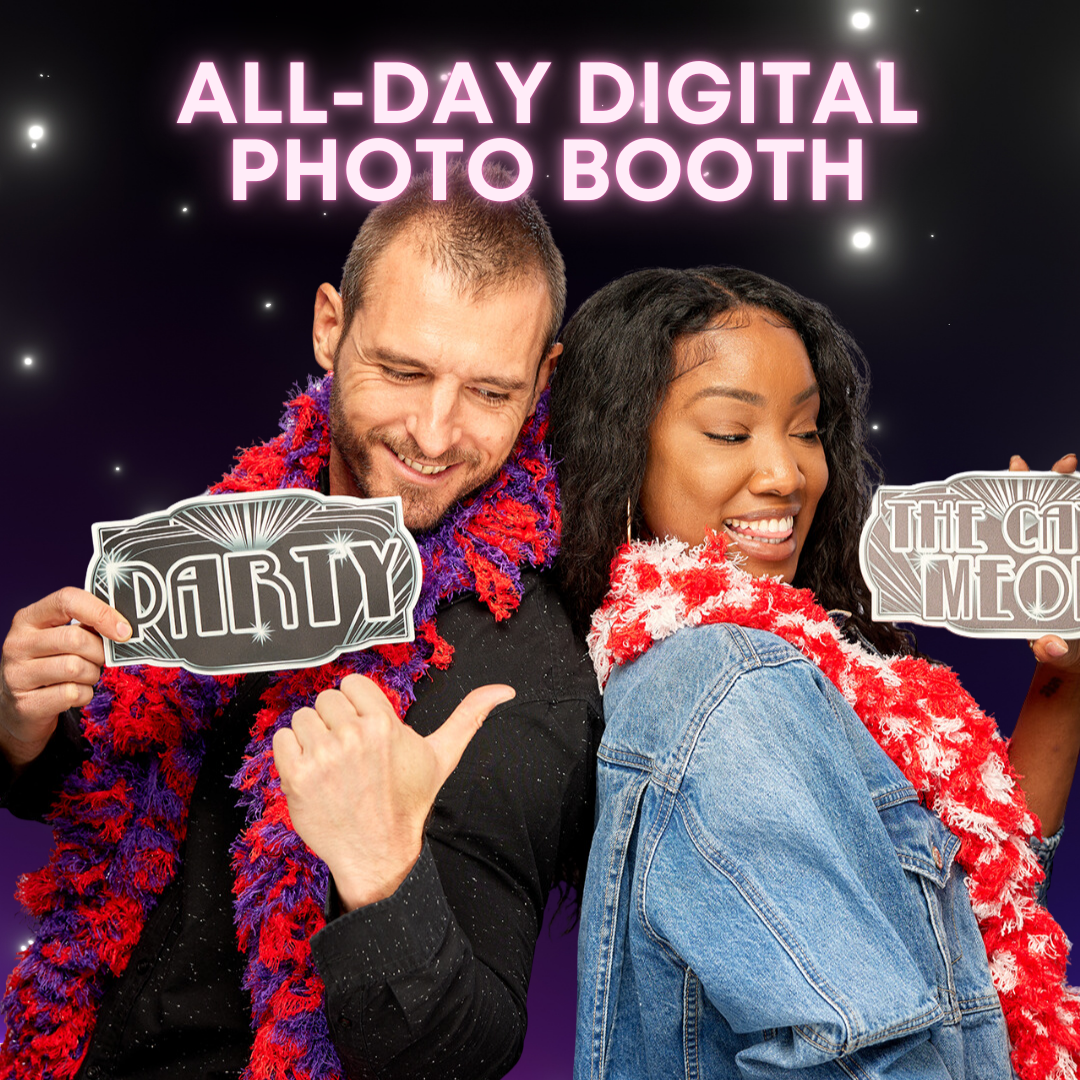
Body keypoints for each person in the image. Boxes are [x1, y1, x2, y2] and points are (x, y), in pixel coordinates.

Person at [0, 164, 602, 1080]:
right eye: (402, 371)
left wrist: (382, 872)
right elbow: (102, 784)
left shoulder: (525, 673)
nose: (436, 435)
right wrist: (20, 725)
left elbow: (471, 1051)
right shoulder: (232, 525)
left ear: (543, 376)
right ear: (331, 326)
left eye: (490, 392)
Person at [549, 267, 1080, 1079]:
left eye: (806, 429)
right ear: (618, 450)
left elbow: (978, 911)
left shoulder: (774, 662)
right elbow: (862, 1050)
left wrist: (1063, 679)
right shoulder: (724, 680)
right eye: (732, 432)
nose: (787, 475)